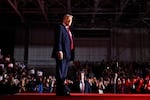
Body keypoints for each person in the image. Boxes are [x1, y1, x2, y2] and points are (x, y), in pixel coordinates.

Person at [52, 14, 75, 96]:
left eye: (71, 20)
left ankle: (60, 91)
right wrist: (59, 50)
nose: (70, 22)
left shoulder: (68, 30)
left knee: (64, 73)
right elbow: (58, 40)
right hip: (62, 53)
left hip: (67, 55)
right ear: (64, 19)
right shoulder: (60, 27)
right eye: (68, 20)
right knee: (60, 72)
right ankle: (61, 90)